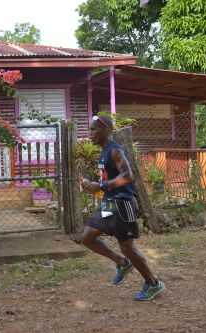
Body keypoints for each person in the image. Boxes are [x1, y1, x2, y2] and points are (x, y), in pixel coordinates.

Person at [79, 114, 165, 301]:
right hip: (109, 202)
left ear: (105, 130)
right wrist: (91, 185)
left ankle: (153, 283)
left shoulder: (115, 151)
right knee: (87, 237)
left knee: (128, 248)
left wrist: (100, 186)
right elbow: (109, 180)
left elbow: (128, 176)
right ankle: (121, 262)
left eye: (93, 129)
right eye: (90, 129)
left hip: (123, 203)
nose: (90, 133)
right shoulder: (103, 151)